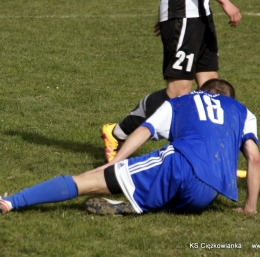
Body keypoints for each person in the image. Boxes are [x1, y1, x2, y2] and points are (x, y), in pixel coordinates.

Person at [1, 79, 259, 216]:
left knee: (86, 181)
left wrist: (115, 162)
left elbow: (143, 131)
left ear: (202, 91)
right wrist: (249, 207)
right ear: (230, 99)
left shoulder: (182, 100)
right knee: (178, 197)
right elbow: (254, 159)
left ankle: (12, 202)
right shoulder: (243, 113)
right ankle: (138, 205)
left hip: (179, 164)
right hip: (207, 195)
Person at [102, 0, 242, 162]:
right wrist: (224, 1)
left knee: (211, 90)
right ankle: (118, 132)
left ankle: (209, 158)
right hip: (183, 14)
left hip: (200, 16)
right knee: (177, 92)